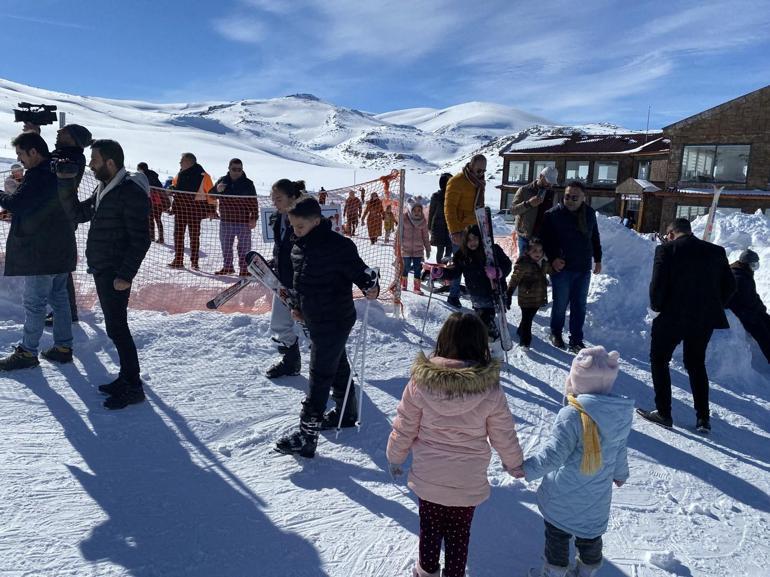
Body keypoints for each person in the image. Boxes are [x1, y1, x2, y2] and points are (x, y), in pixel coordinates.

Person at [386, 312, 523, 577]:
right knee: (459, 532)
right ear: (480, 344)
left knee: (430, 527)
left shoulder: (421, 383)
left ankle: (426, 571)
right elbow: (503, 432)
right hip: (467, 478)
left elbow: (405, 424)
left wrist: (395, 456)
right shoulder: (490, 388)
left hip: (430, 474)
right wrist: (514, 463)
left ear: (444, 340)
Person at [275, 197, 379, 457]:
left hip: (334, 318)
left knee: (320, 375)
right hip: (313, 316)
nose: (294, 232)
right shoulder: (298, 246)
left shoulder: (339, 246)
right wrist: (298, 306)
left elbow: (361, 274)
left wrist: (371, 286)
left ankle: (306, 436)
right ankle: (346, 412)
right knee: (337, 363)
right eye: (292, 226)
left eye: (299, 227)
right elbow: (302, 282)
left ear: (317, 221)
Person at [518, 346, 633, 577]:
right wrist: (620, 473)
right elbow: (620, 449)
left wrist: (526, 469)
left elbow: (554, 455)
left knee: (558, 536)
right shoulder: (619, 414)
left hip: (563, 495)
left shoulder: (572, 414)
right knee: (590, 536)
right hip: (596, 498)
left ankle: (554, 572)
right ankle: (586, 571)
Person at [69, 140, 151, 409]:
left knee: (118, 328)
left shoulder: (129, 192)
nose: (91, 164)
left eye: (94, 159)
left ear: (110, 163)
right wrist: (64, 185)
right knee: (115, 327)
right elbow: (81, 213)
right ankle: (126, 378)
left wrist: (126, 274)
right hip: (103, 268)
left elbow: (141, 239)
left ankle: (134, 386)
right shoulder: (104, 187)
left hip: (116, 272)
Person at [636, 218, 735, 433]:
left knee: (659, 360)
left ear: (671, 233)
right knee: (696, 364)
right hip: (703, 318)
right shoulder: (716, 251)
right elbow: (730, 285)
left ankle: (664, 412)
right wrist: (714, 305)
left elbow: (657, 285)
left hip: (672, 315)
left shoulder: (666, 250)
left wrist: (657, 307)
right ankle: (703, 419)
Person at [0, 133, 77, 370]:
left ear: (34, 152)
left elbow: (17, 204)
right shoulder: (56, 170)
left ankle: (27, 352)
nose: (20, 160)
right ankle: (63, 347)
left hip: (41, 251)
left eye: (21, 155)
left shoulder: (39, 175)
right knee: (60, 299)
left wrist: (2, 195)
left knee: (35, 303)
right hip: (61, 247)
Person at [539, 180, 602, 353]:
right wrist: (553, 258)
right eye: (567, 196)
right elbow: (544, 239)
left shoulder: (589, 214)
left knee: (579, 305)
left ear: (583, 198)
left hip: (583, 268)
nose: (570, 200)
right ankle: (556, 333)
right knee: (560, 304)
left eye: (575, 197)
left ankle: (576, 339)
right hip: (562, 268)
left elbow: (594, 237)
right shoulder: (553, 215)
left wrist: (598, 259)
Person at [45, 123, 93, 327]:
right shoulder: (65, 153)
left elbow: (48, 168)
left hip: (60, 219)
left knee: (60, 267)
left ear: (73, 138)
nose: (58, 132)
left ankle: (67, 311)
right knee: (57, 266)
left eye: (63, 132)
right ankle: (65, 310)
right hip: (57, 218)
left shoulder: (72, 157)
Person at [443, 224, 511, 341]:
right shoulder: (462, 256)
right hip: (477, 298)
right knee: (481, 323)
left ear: (480, 238)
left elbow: (507, 265)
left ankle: (494, 343)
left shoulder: (491, 250)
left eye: (475, 238)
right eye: (469, 240)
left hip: (494, 294)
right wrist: (441, 273)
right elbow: (455, 272)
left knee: (485, 323)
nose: (472, 242)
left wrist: (497, 272)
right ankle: (487, 341)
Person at [265, 179, 304, 378]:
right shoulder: (278, 217)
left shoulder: (303, 218)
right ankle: (291, 362)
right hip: (283, 281)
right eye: (273, 199)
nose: (275, 203)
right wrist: (275, 261)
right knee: (279, 324)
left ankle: (331, 373)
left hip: (304, 283)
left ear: (292, 198)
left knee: (311, 329)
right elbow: (282, 247)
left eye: (278, 199)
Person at [444, 154, 487, 308]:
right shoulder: (456, 182)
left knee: (475, 264)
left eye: (483, 171)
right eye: (478, 170)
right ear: (470, 166)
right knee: (459, 263)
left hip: (475, 229)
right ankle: (453, 295)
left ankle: (477, 295)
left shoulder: (479, 182)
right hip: (461, 231)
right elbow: (449, 209)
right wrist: (455, 231)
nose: (481, 173)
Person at [211, 158, 258, 276]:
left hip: (243, 221)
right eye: (234, 169)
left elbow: (254, 202)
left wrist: (254, 218)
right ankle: (228, 267)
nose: (237, 171)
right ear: (229, 168)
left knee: (244, 248)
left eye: (239, 169)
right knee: (226, 247)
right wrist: (217, 190)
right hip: (226, 220)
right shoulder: (222, 181)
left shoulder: (248, 183)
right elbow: (211, 196)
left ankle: (244, 269)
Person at [167, 152, 214, 270]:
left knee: (194, 236)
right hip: (180, 209)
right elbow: (174, 185)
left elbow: (211, 194)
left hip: (195, 210)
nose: (180, 163)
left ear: (188, 162)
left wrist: (212, 209)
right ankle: (178, 260)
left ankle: (194, 261)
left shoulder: (204, 175)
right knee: (178, 235)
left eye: (181, 161)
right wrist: (171, 188)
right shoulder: (180, 174)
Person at [506, 238, 550, 350]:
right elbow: (515, 278)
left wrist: (558, 267)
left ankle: (521, 330)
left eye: (540, 250)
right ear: (528, 251)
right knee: (527, 320)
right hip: (526, 298)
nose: (538, 253)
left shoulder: (544, 262)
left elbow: (550, 270)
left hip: (538, 298)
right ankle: (525, 342)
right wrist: (509, 293)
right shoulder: (523, 264)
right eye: (534, 250)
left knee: (528, 318)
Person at [727, 249, 770, 363]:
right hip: (740, 313)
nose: (755, 268)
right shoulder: (740, 278)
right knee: (762, 333)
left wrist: (762, 310)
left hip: (746, 310)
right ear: (747, 263)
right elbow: (747, 301)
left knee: (767, 320)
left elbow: (753, 296)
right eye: (754, 265)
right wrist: (759, 311)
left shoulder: (743, 273)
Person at [510, 166, 558, 256]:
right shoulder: (524, 190)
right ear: (540, 176)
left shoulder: (552, 194)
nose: (549, 185)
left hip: (543, 237)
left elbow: (553, 215)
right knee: (524, 265)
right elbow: (513, 210)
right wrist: (528, 204)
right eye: (548, 181)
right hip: (525, 236)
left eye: (552, 183)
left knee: (541, 267)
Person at [399, 198, 431, 294]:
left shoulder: (423, 221)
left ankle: (416, 288)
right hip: (406, 248)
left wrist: (428, 249)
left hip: (418, 249)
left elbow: (425, 236)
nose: (417, 212)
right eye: (415, 210)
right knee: (406, 267)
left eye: (419, 210)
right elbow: (398, 234)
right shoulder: (404, 219)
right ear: (410, 210)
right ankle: (403, 284)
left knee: (418, 268)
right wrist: (396, 246)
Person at [137, 162, 168, 244]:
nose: (137, 170)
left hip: (157, 201)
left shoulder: (148, 176)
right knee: (151, 218)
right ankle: (152, 236)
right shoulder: (150, 175)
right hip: (154, 201)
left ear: (142, 169)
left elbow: (149, 188)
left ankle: (160, 238)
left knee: (156, 219)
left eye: (138, 169)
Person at [428, 172, 453, 263]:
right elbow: (431, 212)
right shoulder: (437, 196)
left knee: (447, 248)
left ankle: (444, 268)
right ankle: (441, 269)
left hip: (448, 226)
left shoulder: (453, 195)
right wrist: (429, 226)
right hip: (440, 226)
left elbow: (431, 212)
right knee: (443, 248)